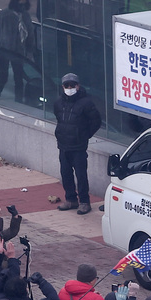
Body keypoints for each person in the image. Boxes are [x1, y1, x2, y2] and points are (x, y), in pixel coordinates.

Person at [51, 73, 101, 215]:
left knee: (81, 175)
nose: (70, 88)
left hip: (78, 146)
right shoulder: (58, 103)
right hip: (63, 145)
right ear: (63, 87)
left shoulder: (86, 103)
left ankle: (84, 202)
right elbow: (59, 118)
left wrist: (84, 135)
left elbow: (96, 121)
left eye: (72, 85)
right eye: (67, 85)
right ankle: (71, 199)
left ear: (78, 86)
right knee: (65, 174)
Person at [0, 0, 36, 101]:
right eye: (20, 4)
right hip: (4, 50)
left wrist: (30, 51)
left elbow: (30, 34)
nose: (22, 7)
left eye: (24, 5)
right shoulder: (4, 15)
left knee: (19, 77)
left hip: (18, 51)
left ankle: (18, 99)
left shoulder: (25, 16)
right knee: (3, 75)